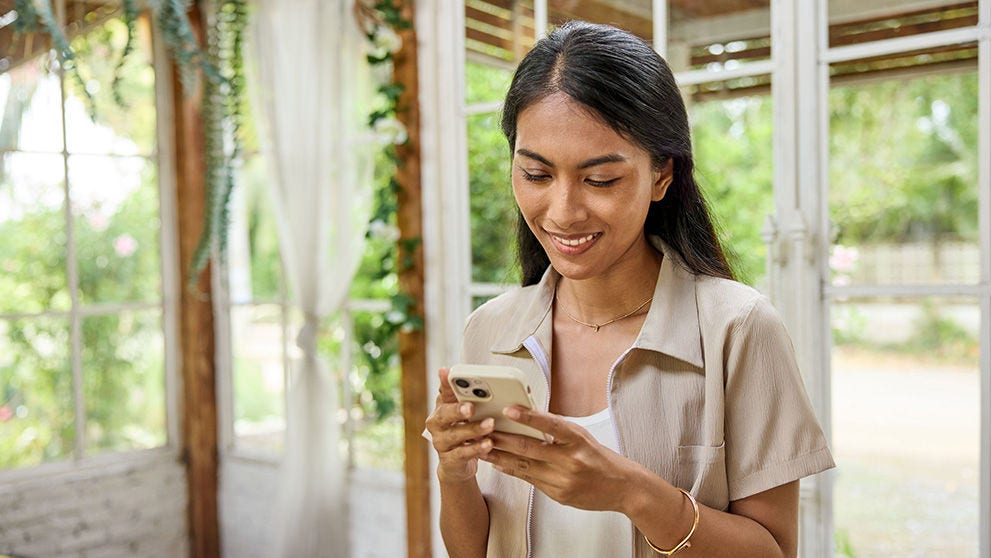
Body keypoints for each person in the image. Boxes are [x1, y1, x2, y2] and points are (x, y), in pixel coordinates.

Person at [424, 20, 834, 558]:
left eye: (600, 180)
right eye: (537, 175)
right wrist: (454, 473)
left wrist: (630, 492)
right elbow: (470, 549)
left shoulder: (738, 328)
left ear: (662, 174)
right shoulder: (492, 330)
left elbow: (774, 552)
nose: (564, 212)